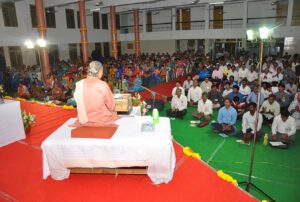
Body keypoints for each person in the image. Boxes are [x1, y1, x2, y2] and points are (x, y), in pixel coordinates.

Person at [72, 61, 118, 127]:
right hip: (102, 121)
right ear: (99, 72)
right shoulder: (102, 85)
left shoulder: (79, 84)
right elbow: (111, 105)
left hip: (83, 122)